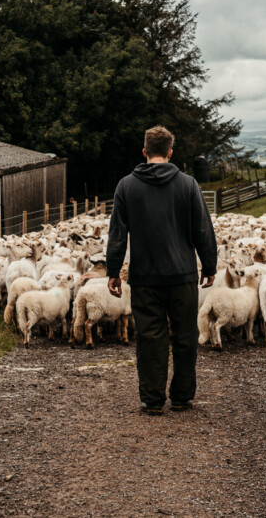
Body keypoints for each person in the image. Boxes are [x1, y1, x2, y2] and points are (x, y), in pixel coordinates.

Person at [106, 126, 217, 415]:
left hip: (144, 276)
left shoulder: (126, 186)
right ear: (170, 153)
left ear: (144, 152)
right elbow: (202, 229)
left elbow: (117, 233)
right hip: (182, 274)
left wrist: (114, 270)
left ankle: (152, 399)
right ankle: (181, 396)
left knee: (149, 336)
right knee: (184, 334)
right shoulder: (189, 185)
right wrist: (209, 265)